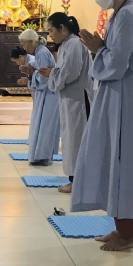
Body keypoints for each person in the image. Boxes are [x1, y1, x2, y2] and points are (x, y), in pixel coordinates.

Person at [71, 0, 133, 252]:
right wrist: (100, 50)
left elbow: (118, 62)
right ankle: (121, 226)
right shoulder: (119, 14)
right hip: (115, 95)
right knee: (114, 160)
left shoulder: (128, 15)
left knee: (125, 162)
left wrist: (98, 50)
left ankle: (128, 233)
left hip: (125, 100)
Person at [42, 12, 90, 194]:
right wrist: (53, 72)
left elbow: (71, 72)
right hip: (69, 98)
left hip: (79, 99)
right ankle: (74, 179)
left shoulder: (75, 44)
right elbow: (63, 70)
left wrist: (53, 74)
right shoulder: (65, 45)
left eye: (51, 31)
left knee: (77, 139)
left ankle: (79, 181)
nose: (50, 35)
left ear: (62, 28)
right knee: (70, 139)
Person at [18, 28, 60, 166]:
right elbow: (39, 71)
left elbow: (43, 78)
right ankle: (40, 155)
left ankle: (42, 156)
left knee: (45, 126)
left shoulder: (41, 52)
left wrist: (30, 75)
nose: (24, 48)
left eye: (24, 44)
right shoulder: (40, 52)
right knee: (42, 125)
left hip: (48, 94)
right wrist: (30, 71)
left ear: (31, 41)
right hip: (45, 94)